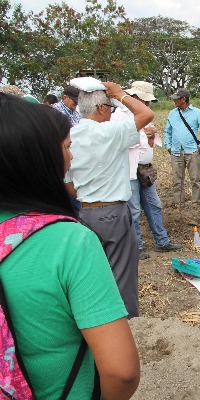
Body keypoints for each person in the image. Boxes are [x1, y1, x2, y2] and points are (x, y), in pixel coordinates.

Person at [0, 93, 140, 399]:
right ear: (34, 159)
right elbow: (122, 372)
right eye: (65, 147)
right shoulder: (66, 242)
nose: (71, 156)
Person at [67, 81, 154, 318]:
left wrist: (88, 199)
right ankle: (124, 323)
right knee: (122, 275)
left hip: (85, 212)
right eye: (110, 106)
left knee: (94, 273)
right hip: (113, 212)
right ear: (102, 108)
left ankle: (96, 319)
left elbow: (67, 182)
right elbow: (146, 113)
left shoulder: (70, 135)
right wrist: (120, 94)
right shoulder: (109, 132)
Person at [111, 81, 182, 260]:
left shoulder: (140, 115)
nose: (148, 105)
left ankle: (162, 241)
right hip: (128, 169)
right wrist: (144, 134)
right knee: (133, 209)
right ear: (134, 98)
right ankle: (137, 246)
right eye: (146, 101)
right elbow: (120, 139)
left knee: (154, 205)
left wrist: (151, 134)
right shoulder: (120, 115)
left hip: (144, 169)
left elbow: (150, 139)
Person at [164, 88, 200, 205]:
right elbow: (167, 131)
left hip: (192, 151)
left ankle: (196, 204)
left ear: (183, 99)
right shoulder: (172, 113)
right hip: (176, 152)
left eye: (176, 99)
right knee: (177, 181)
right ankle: (178, 204)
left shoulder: (197, 113)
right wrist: (168, 145)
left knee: (195, 180)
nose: (174, 101)